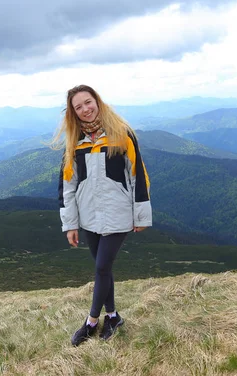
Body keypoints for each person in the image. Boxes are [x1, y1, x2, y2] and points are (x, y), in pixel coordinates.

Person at [53, 85, 152, 346]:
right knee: (104, 270)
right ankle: (114, 316)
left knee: (101, 267)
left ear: (97, 101)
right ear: (73, 113)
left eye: (89, 102)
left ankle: (91, 322)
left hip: (119, 214)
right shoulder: (75, 143)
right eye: (79, 106)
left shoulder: (121, 134)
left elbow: (137, 174)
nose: (86, 109)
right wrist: (70, 224)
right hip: (89, 218)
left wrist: (140, 215)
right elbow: (67, 185)